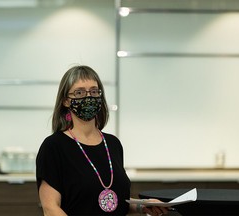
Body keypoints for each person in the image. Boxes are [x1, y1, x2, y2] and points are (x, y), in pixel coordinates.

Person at [36, 65, 168, 216]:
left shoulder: (113, 144)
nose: (88, 97)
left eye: (94, 91)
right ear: (66, 101)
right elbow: (50, 208)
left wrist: (141, 206)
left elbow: (113, 200)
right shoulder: (53, 146)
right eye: (79, 92)